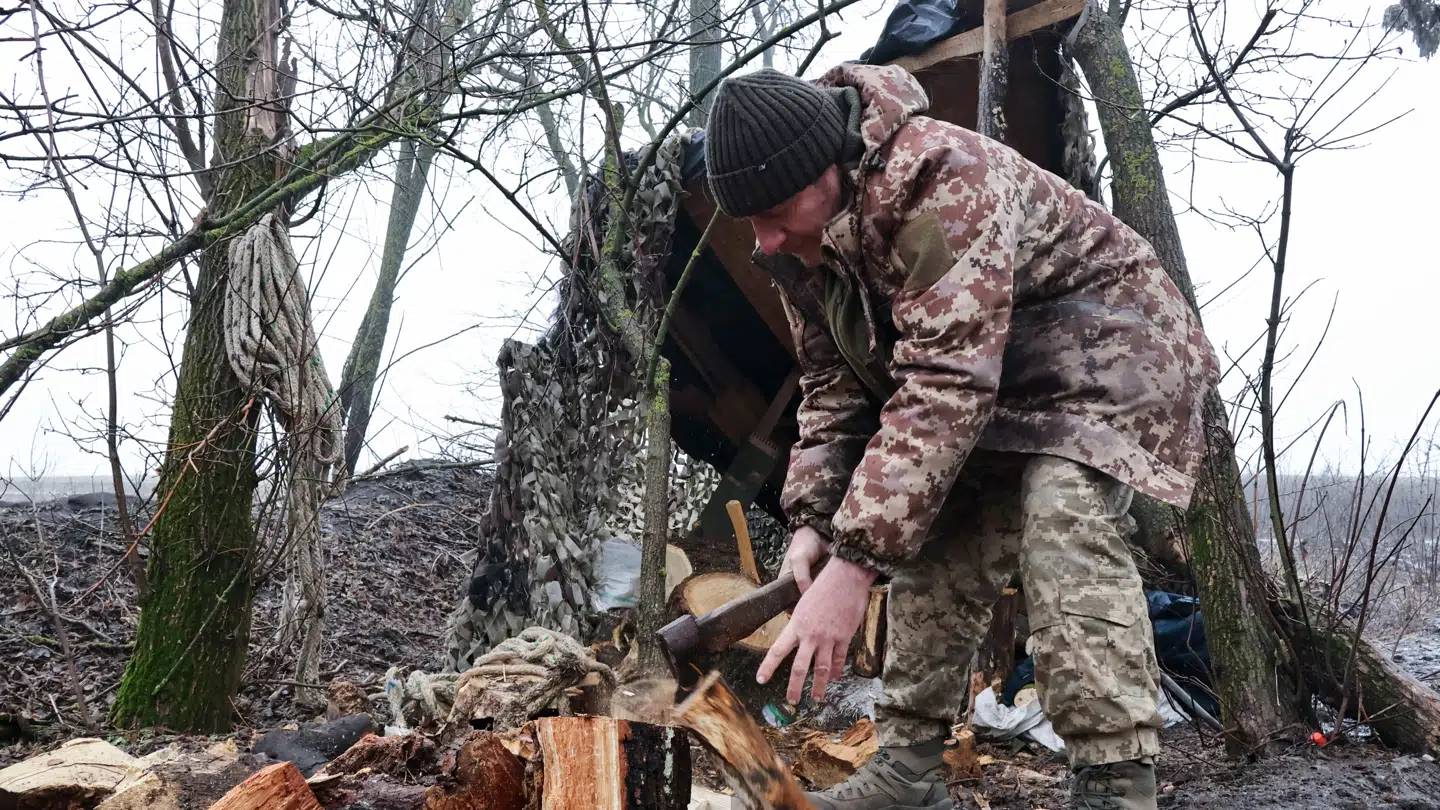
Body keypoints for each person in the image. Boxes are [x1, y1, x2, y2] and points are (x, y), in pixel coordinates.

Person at [701, 63, 1219, 810]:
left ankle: (1114, 782)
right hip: (998, 373)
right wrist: (815, 521)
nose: (766, 236)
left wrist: (854, 568)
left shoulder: (940, 178)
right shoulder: (798, 245)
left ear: (827, 168)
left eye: (777, 208)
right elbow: (833, 385)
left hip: (1109, 352)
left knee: (1060, 520)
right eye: (748, 218)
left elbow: (945, 385)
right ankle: (908, 769)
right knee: (937, 540)